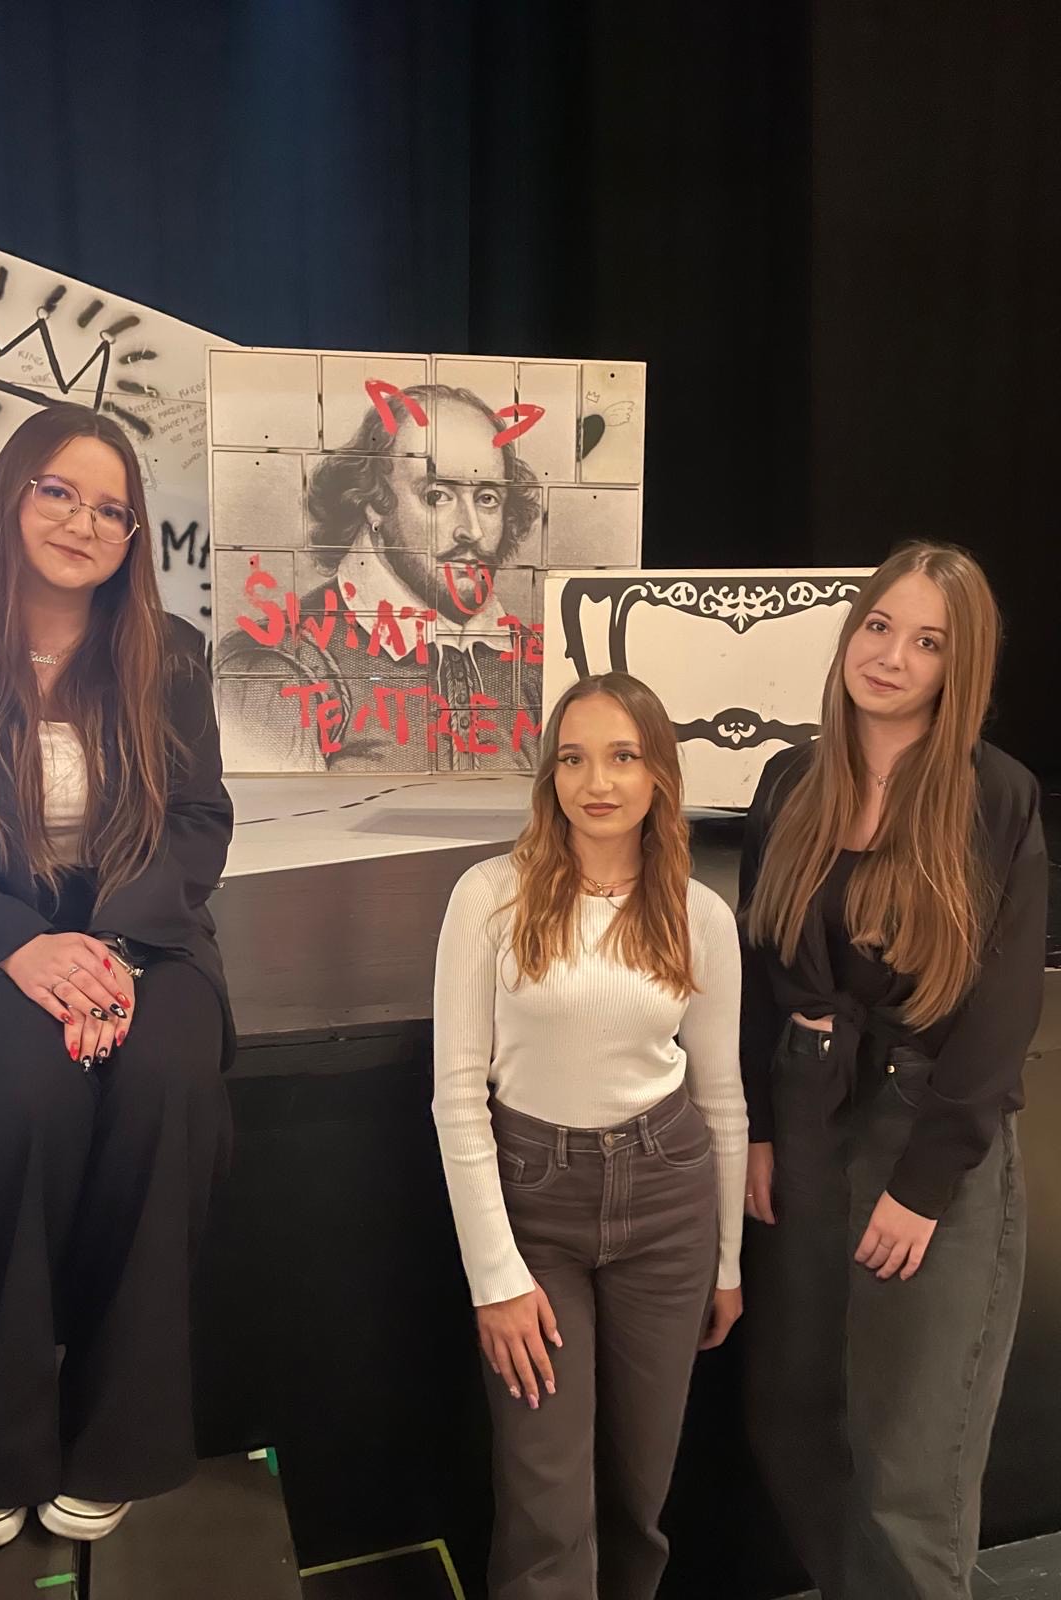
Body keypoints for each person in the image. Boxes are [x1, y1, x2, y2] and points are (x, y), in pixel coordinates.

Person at [0, 403, 235, 1553]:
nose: (85, 522)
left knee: (168, 1081)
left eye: (113, 509)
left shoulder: (170, 654)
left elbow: (196, 820)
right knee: (22, 1094)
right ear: (12, 497)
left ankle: (120, 1436)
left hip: (138, 931)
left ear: (134, 537)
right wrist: (19, 945)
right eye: (59, 492)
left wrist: (111, 945)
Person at [738, 542, 1047, 1600]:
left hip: (928, 1144)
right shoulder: (792, 780)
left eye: (928, 642)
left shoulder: (996, 795)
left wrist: (922, 1188)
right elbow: (760, 969)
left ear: (962, 666)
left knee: (908, 1471)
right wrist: (761, 1130)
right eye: (879, 626)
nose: (892, 656)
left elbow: (1002, 1016)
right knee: (796, 1420)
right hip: (805, 1121)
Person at [432, 671, 747, 1600]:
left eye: (622, 757)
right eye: (573, 759)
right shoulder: (488, 896)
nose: (596, 782)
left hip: (668, 1203)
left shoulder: (699, 913)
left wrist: (728, 1262)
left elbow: (722, 1099)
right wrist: (495, 1279)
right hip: (536, 1209)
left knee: (639, 1495)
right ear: (551, 776)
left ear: (659, 776)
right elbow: (458, 1098)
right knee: (547, 1504)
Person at [216, 384, 543, 772]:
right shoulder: (276, 668)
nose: (471, 530)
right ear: (373, 503)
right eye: (437, 496)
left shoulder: (536, 662)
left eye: (487, 498)